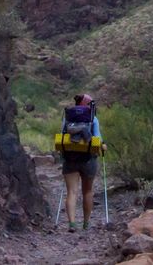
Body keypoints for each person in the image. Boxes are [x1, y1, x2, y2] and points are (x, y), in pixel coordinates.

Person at [62, 94, 106, 231]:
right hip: (88, 159)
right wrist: (103, 146)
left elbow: (62, 135)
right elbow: (97, 138)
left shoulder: (67, 118)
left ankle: (72, 224)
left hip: (70, 158)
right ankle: (86, 224)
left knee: (71, 192)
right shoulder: (93, 119)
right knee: (87, 191)